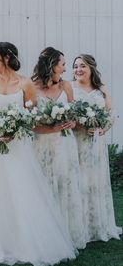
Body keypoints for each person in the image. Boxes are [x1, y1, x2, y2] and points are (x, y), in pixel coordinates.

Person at [0, 41, 77, 266]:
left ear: (4, 56)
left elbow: (31, 119)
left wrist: (13, 133)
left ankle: (27, 240)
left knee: (22, 189)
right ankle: (2, 242)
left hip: (18, 146)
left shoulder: (25, 84)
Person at [32, 47, 86, 249]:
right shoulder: (33, 87)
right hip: (41, 143)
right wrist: (50, 127)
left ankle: (67, 231)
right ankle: (45, 232)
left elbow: (72, 113)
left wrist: (71, 123)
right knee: (43, 185)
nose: (65, 68)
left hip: (64, 144)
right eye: (63, 64)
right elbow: (29, 123)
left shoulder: (66, 87)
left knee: (65, 184)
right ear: (52, 65)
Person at [72, 54, 122, 242]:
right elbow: (67, 116)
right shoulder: (70, 88)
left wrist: (103, 129)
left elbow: (111, 114)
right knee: (78, 181)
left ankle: (96, 225)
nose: (78, 69)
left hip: (96, 143)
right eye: (75, 66)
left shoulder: (101, 90)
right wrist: (81, 124)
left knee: (94, 180)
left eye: (82, 66)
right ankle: (79, 225)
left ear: (91, 68)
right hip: (76, 140)